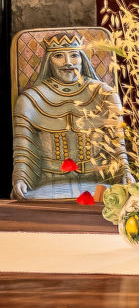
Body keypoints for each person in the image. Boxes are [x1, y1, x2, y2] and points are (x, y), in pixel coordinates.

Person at [13, 31, 126, 200]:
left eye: (74, 55)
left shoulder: (105, 94)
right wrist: (20, 178)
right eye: (58, 55)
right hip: (48, 183)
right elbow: (24, 148)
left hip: (100, 181)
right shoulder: (30, 99)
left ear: (82, 58)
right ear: (48, 61)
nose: (68, 63)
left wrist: (125, 172)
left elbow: (117, 143)